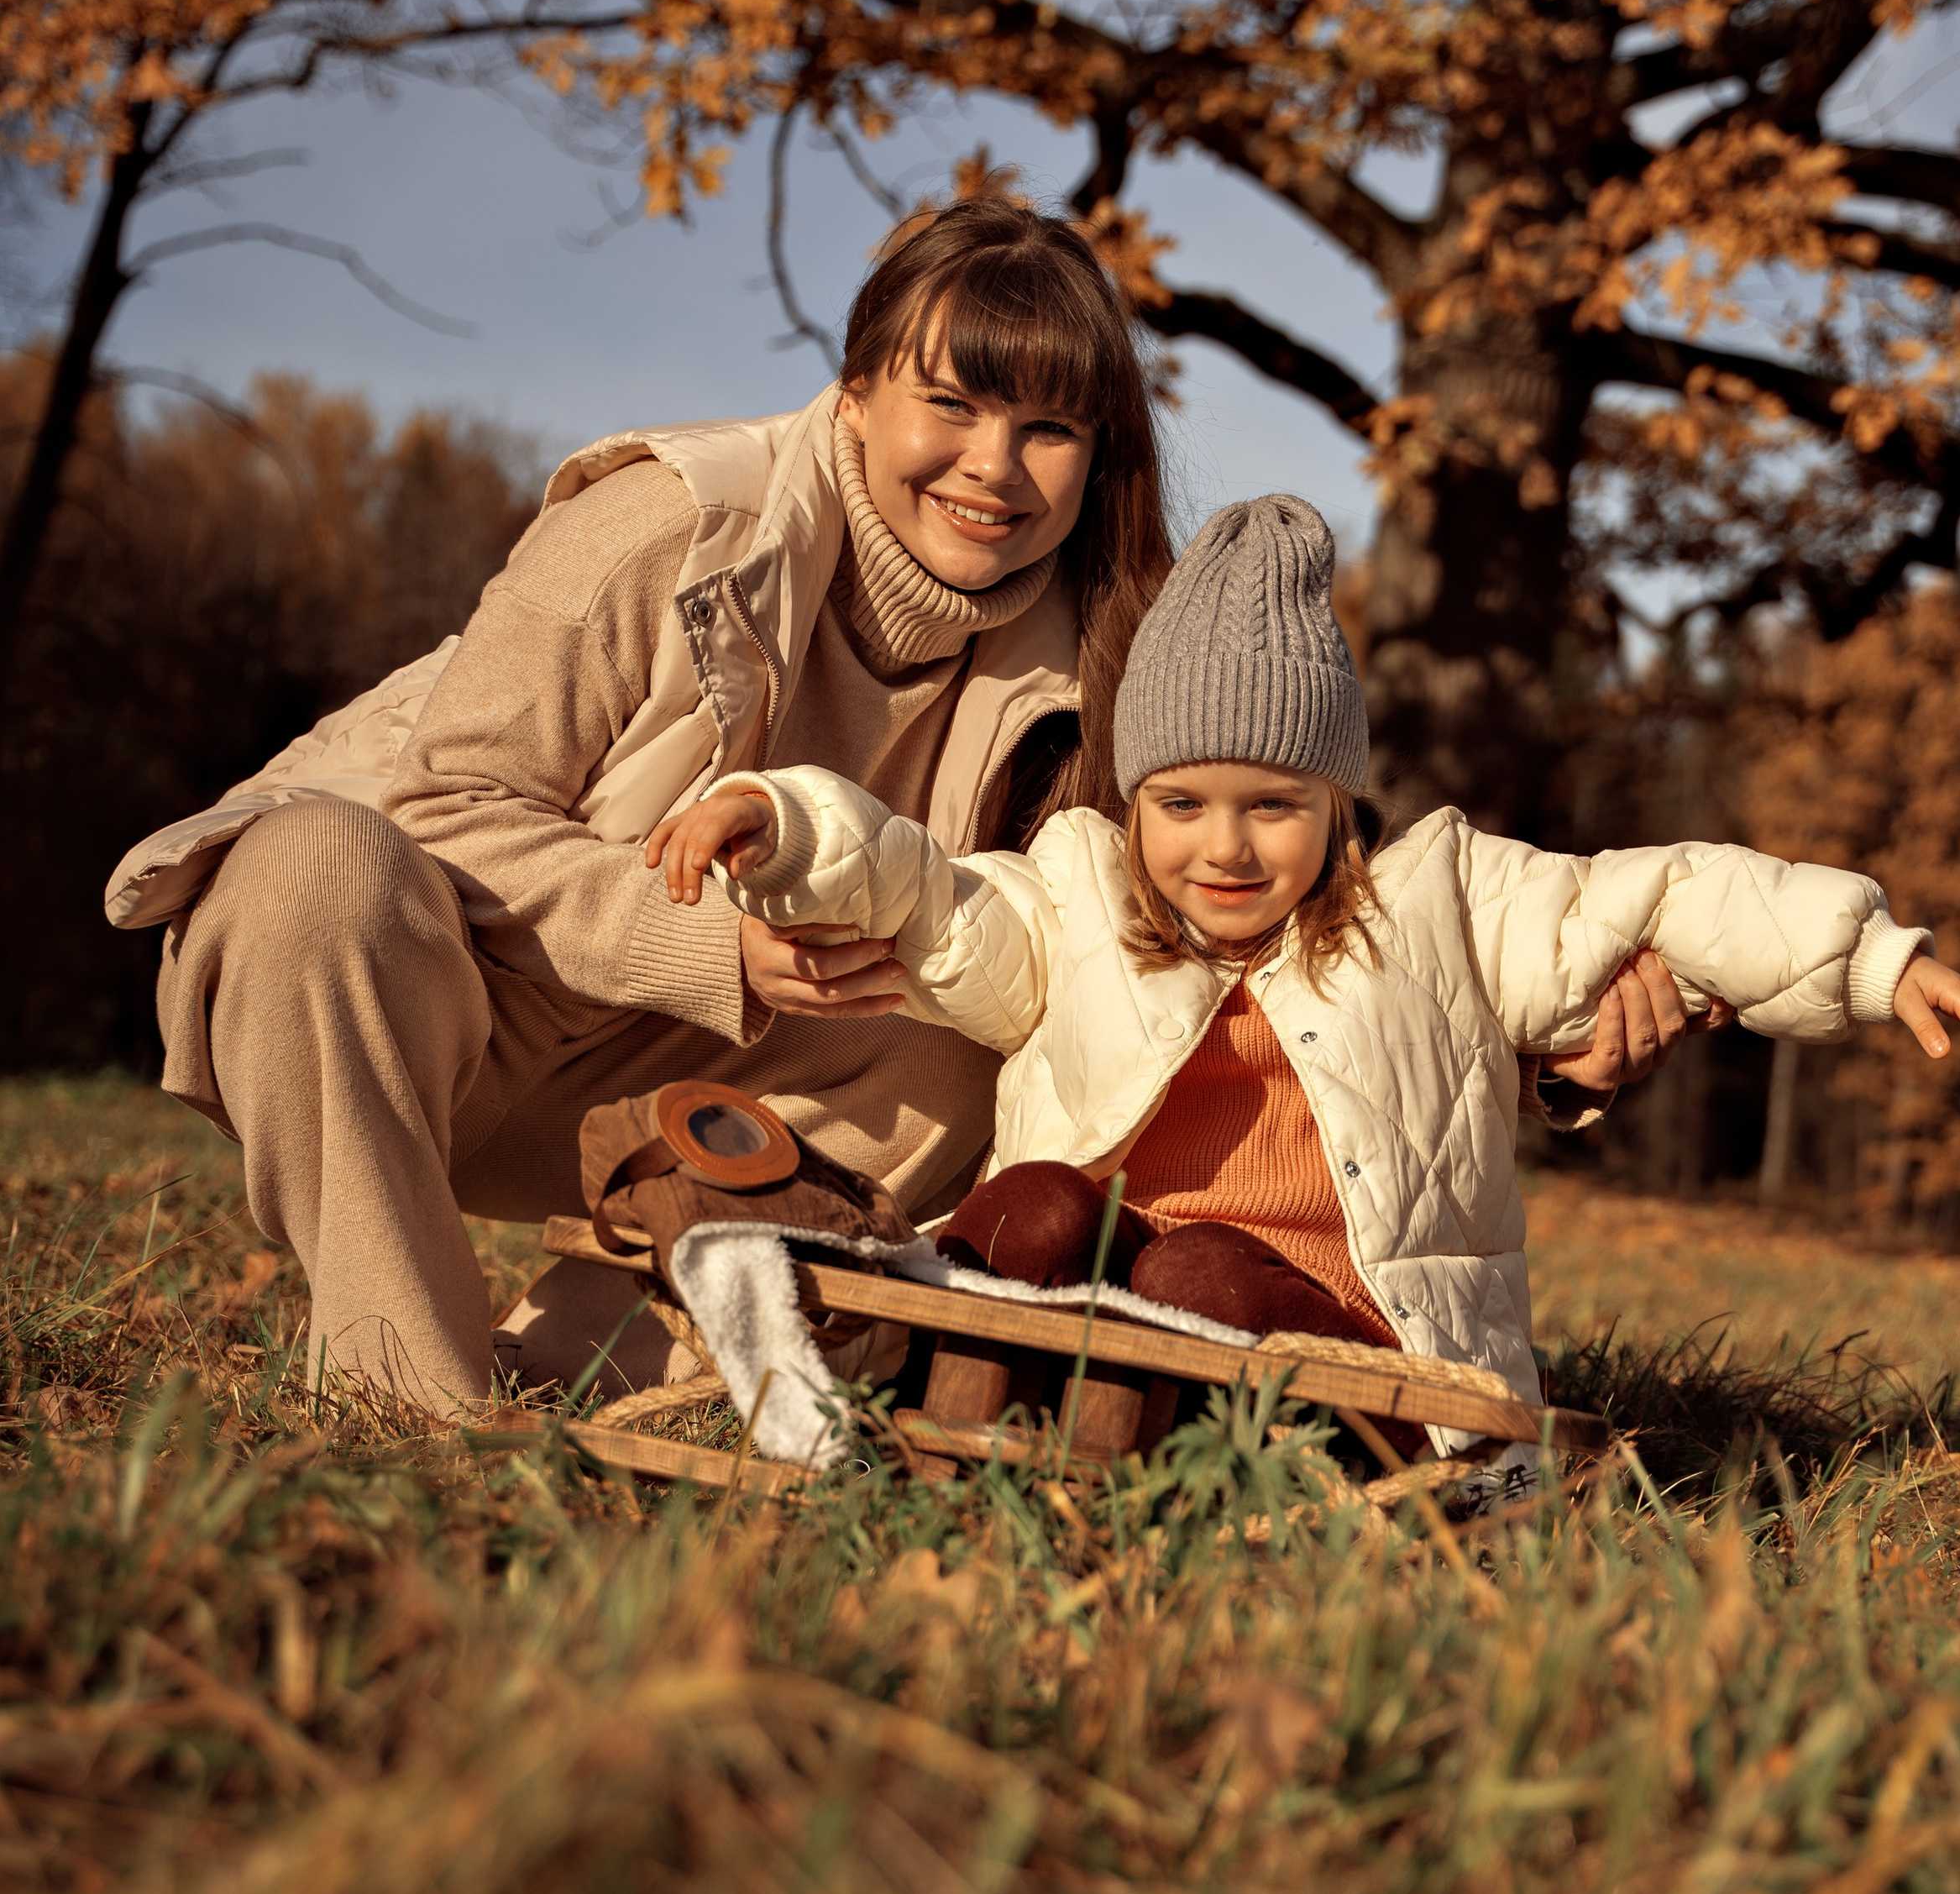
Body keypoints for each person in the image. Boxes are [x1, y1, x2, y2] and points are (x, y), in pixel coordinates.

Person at [105, 194, 1690, 1416]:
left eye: (1049, 426)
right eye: (951, 404)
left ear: (1096, 454)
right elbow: (452, 806)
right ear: (857, 395)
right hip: (451, 1000)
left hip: (730, 1087)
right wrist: (712, 955)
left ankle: (630, 1352)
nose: (993, 466)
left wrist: (1538, 1028)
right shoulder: (666, 527)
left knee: (985, 1007)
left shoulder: (1121, 655)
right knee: (308, 869)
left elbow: (1263, 908)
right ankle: (401, 1379)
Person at [653, 495, 1960, 1408]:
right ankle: (910, 1365)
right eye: (1181, 805)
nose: (1224, 850)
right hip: (1103, 1302)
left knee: (1188, 1271)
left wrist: (1877, 958)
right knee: (1047, 1199)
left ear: (1339, 804)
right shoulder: (1074, 894)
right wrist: (778, 822)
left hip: (1357, 1342)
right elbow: (928, 895)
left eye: (1274, 808)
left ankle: (1122, 1419)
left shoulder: (1441, 902)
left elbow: (1664, 897)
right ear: (1133, 803)